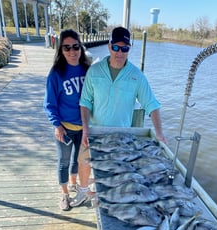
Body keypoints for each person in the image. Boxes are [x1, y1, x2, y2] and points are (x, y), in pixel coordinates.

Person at [70, 26, 167, 207]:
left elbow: (152, 105)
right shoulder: (95, 70)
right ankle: (83, 191)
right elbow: (85, 102)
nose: (120, 52)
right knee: (83, 160)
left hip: (121, 135)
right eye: (116, 47)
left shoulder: (137, 76)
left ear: (129, 49)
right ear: (109, 46)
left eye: (125, 48)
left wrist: (159, 133)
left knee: (115, 173)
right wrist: (85, 128)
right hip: (95, 130)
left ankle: (105, 200)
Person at [44, 29, 92, 211]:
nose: (72, 51)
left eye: (75, 46)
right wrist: (56, 125)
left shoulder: (87, 69)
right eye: (67, 48)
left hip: (84, 127)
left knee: (78, 160)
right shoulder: (56, 73)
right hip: (64, 127)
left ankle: (74, 183)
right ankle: (64, 194)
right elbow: (49, 103)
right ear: (61, 50)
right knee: (63, 161)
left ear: (80, 47)